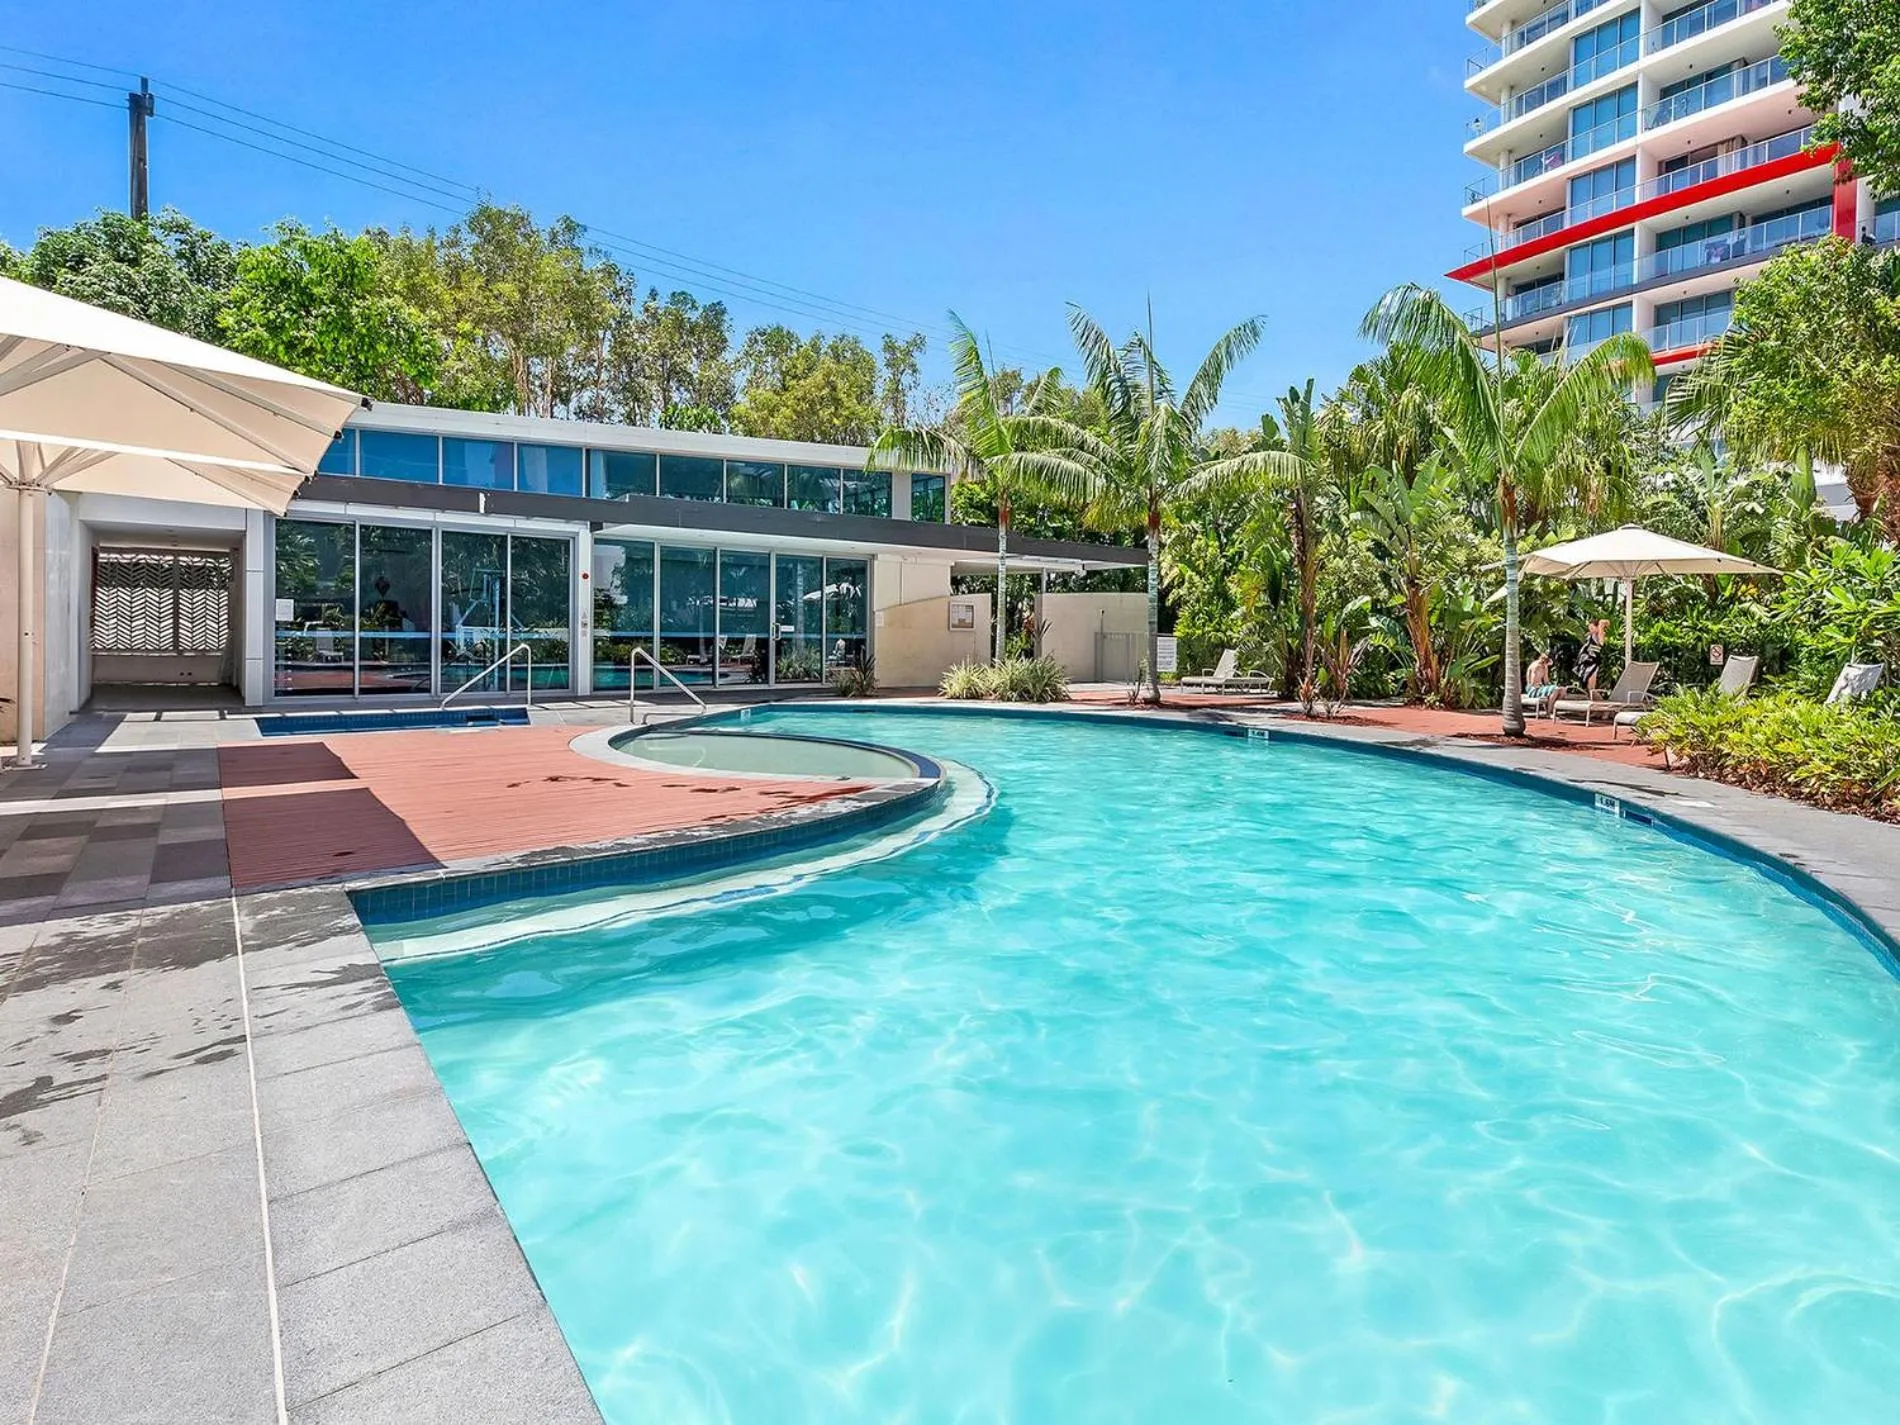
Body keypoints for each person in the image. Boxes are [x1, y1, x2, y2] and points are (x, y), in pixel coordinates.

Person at [1575, 618, 1609, 696]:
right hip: (1586, 660)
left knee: (1591, 683)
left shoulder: (1599, 634)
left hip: (1592, 660)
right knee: (1587, 683)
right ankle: (1593, 699)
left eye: (1592, 628)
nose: (1590, 630)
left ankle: (1595, 701)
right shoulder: (1590, 635)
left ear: (1597, 627)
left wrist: (1601, 626)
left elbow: (1601, 643)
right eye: (1589, 628)